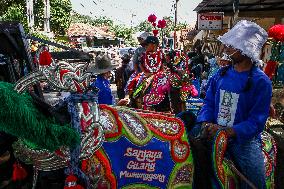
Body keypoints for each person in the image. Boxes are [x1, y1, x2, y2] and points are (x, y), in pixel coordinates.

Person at [193, 20, 272, 189]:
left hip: (242, 141)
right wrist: (206, 122)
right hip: (212, 132)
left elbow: (256, 121)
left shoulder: (262, 82)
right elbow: (208, 102)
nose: (228, 48)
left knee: (255, 183)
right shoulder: (219, 75)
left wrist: (230, 131)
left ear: (246, 49)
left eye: (234, 44)